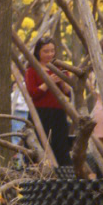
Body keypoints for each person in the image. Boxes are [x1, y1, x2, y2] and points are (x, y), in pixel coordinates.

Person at [25, 36, 72, 168]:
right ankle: (37, 172)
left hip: (58, 112)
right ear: (38, 52)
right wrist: (48, 83)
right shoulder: (32, 70)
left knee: (60, 144)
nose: (49, 54)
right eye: (46, 51)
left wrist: (62, 81)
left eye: (52, 51)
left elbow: (69, 92)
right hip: (40, 113)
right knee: (40, 143)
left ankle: (63, 173)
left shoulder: (60, 68)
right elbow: (33, 93)